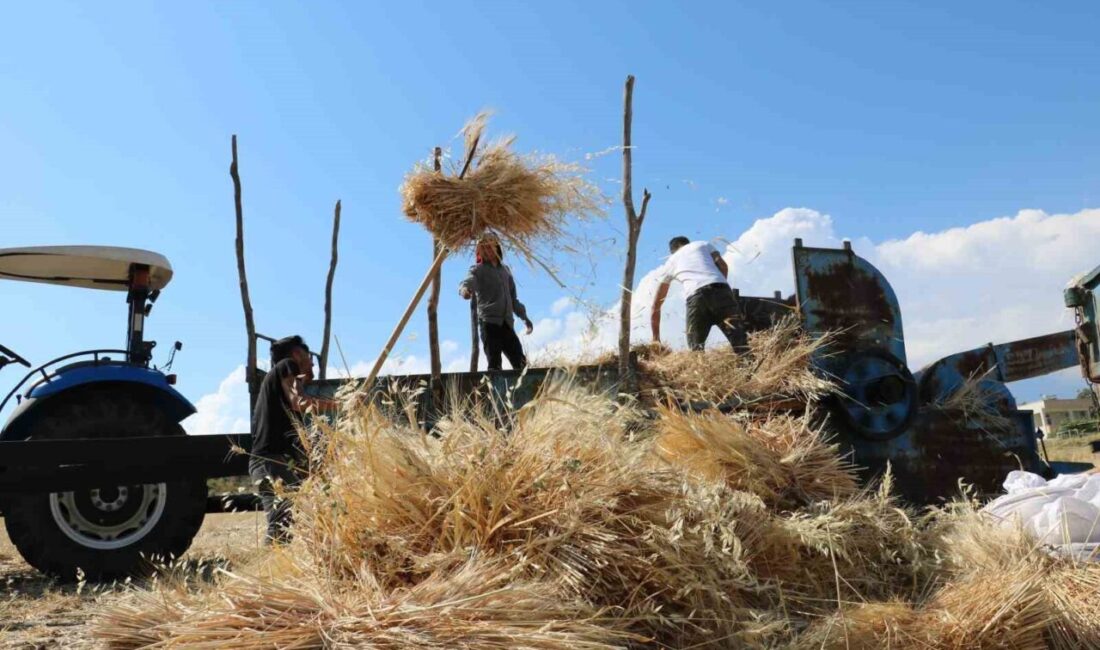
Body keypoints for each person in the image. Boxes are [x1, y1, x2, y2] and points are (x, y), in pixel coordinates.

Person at [248, 335, 337, 544]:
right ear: (297, 354)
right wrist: (339, 405)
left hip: (273, 460)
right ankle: (270, 573)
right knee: (281, 522)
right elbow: (299, 403)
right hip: (272, 461)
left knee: (288, 520)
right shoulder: (287, 365)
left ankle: (276, 569)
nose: (312, 362)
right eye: (309, 357)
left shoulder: (275, 385)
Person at [651, 236, 748, 352]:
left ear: (672, 252)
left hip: (696, 298)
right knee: (741, 343)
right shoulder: (702, 244)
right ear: (687, 243)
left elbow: (656, 305)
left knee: (696, 349)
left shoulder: (671, 262)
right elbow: (723, 266)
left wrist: (655, 338)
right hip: (721, 289)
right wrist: (722, 291)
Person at [459, 235, 534, 371]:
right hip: (489, 324)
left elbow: (513, 299)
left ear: (496, 248)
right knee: (494, 364)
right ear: (479, 252)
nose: (487, 250)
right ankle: (495, 391)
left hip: (506, 324)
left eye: (490, 246)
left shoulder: (505, 271)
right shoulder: (478, 270)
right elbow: (468, 282)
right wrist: (465, 290)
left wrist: (524, 318)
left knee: (521, 363)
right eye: (483, 248)